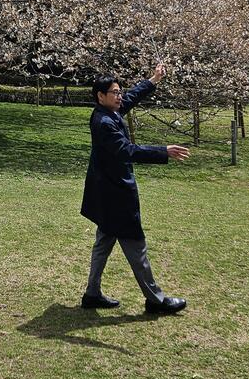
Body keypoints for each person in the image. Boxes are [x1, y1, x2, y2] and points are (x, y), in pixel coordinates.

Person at [80, 64, 190, 315]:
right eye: (115, 92)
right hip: (116, 194)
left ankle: (92, 294)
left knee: (103, 243)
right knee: (136, 245)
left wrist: (153, 79)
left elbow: (132, 96)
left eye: (120, 92)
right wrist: (164, 151)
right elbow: (126, 151)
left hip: (107, 193)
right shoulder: (104, 122)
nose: (120, 96)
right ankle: (156, 300)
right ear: (100, 96)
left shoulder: (110, 111)